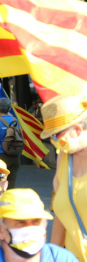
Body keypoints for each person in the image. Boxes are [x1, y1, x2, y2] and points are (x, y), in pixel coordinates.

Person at [0, 189, 78, 261]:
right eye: (20, 222)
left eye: (36, 221)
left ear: (44, 226)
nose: (29, 228)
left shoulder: (63, 259)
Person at [40, 95, 87, 261]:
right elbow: (61, 215)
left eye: (56, 136)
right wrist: (52, 256)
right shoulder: (64, 158)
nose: (53, 141)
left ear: (78, 130)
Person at [0, 98, 21, 189]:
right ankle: (9, 202)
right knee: (11, 185)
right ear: (9, 109)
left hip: (1, 156)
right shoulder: (15, 120)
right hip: (15, 156)